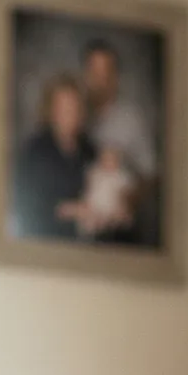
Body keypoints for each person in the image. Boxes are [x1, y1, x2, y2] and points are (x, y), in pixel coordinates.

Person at [80, 39, 160, 243]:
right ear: (85, 75)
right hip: (79, 229)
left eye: (106, 72)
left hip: (118, 233)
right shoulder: (74, 114)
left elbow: (150, 174)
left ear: (115, 76)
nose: (100, 80)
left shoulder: (131, 119)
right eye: (94, 72)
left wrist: (128, 198)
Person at [10, 73, 95, 241]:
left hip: (85, 243)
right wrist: (69, 210)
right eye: (64, 107)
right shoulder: (34, 152)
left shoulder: (90, 151)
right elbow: (26, 206)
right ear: (51, 110)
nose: (70, 113)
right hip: (45, 241)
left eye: (75, 106)